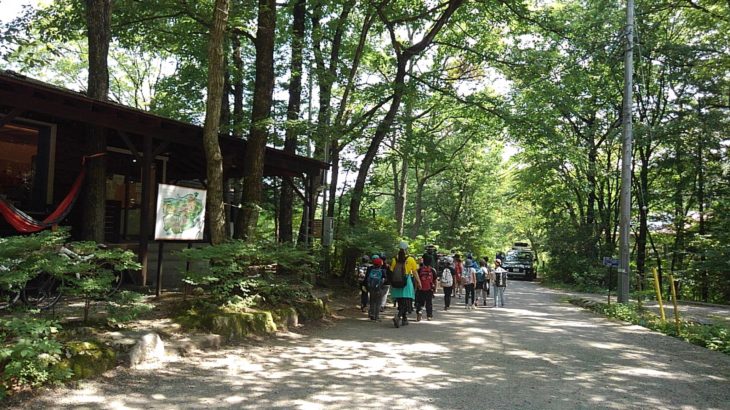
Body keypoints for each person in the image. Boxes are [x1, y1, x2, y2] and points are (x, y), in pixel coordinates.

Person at [389, 242, 421, 328]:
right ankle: (398, 316)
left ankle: (404, 319)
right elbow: (415, 272)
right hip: (406, 282)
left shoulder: (394, 259)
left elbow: (391, 271)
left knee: (400, 301)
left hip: (396, 282)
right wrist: (419, 282)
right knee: (406, 302)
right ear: (407, 249)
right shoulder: (410, 259)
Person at [367, 257, 386, 321]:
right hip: (379, 288)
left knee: (372, 301)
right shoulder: (382, 271)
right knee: (378, 303)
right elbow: (384, 279)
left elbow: (368, 279)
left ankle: (372, 314)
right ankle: (376, 316)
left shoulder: (371, 270)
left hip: (372, 289)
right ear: (381, 264)